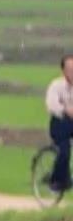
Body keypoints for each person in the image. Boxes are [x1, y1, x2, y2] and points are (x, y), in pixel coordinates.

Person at [47, 55, 73, 193]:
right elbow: (51, 104)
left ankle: (67, 179)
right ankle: (55, 180)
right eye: (70, 69)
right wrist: (65, 109)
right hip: (59, 124)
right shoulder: (56, 85)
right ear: (63, 71)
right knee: (64, 151)